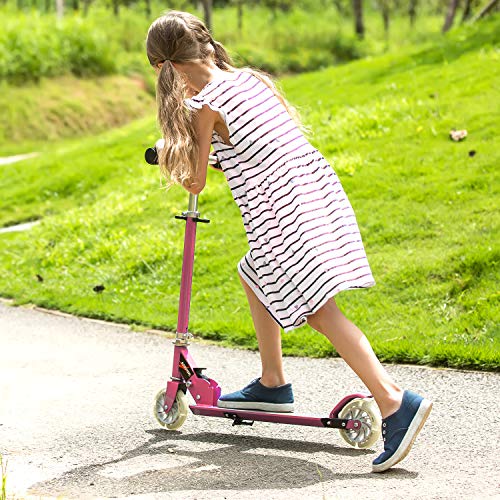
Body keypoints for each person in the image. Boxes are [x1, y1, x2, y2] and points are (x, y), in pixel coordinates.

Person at [146, 11, 432, 472]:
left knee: (322, 313)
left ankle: (395, 401)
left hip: (283, 216)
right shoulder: (250, 81)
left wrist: (169, 153)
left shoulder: (204, 108)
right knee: (253, 272)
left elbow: (195, 182)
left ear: (168, 68)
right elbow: (255, 150)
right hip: (313, 195)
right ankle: (273, 382)